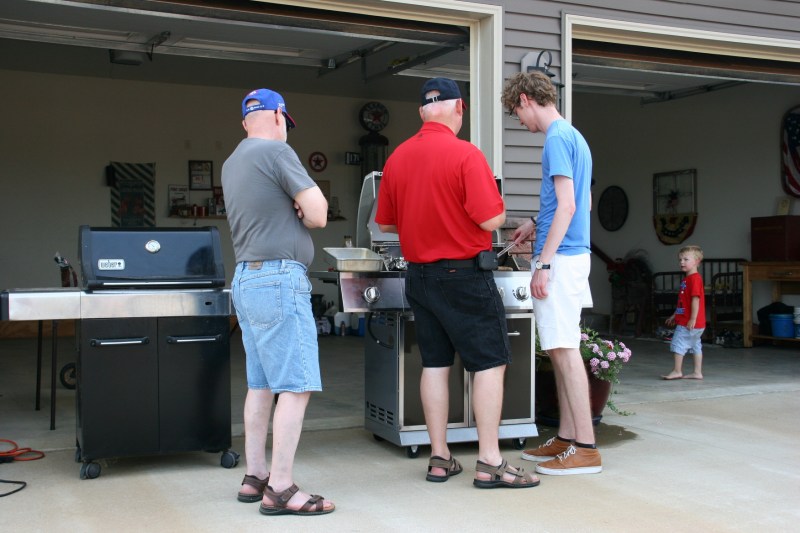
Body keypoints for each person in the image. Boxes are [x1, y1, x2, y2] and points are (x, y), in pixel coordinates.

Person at [376, 77, 538, 489]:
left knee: (434, 364)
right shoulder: (466, 155)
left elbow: (387, 221)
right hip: (463, 276)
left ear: (422, 112)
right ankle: (489, 461)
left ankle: (440, 458)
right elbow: (491, 220)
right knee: (489, 363)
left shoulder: (397, 158)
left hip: (419, 277)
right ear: (459, 108)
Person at [222, 88, 335, 515]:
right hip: (279, 279)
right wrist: (302, 208)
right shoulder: (275, 153)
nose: (286, 129)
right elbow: (320, 213)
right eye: (286, 122)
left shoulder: (234, 162)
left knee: (261, 383)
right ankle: (282, 487)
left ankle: (255, 477)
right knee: (297, 383)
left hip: (247, 280)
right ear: (276, 115)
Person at [503, 71, 601, 476]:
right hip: (572, 254)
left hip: (562, 259)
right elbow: (583, 201)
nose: (520, 122)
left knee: (564, 350)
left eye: (515, 113)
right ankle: (566, 437)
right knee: (561, 348)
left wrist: (542, 261)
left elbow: (567, 206)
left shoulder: (556, 139)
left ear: (526, 99)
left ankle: (586, 448)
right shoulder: (574, 136)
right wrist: (534, 222)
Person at [661, 245, 706, 380]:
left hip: (688, 322)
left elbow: (695, 300)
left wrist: (692, 318)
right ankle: (697, 372)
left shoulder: (695, 279)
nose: (682, 262)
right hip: (695, 323)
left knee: (678, 344)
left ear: (697, 261)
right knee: (696, 345)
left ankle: (677, 370)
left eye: (686, 259)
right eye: (680, 259)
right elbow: (684, 302)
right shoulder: (687, 279)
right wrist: (675, 315)